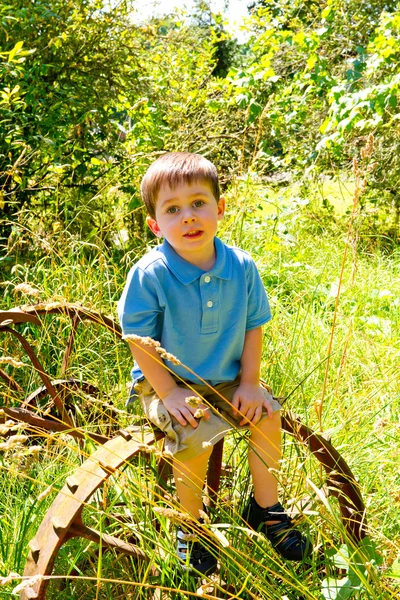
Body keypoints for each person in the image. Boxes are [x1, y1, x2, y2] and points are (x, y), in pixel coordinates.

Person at [118, 152, 312, 576]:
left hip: (227, 380)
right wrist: (169, 393)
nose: (188, 217)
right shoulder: (151, 274)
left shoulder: (241, 267)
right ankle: (190, 527)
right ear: (155, 225)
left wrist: (250, 382)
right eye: (172, 210)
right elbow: (139, 342)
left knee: (267, 414)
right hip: (165, 385)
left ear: (219, 208)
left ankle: (267, 508)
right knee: (195, 430)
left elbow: (253, 326)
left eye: (198, 203)